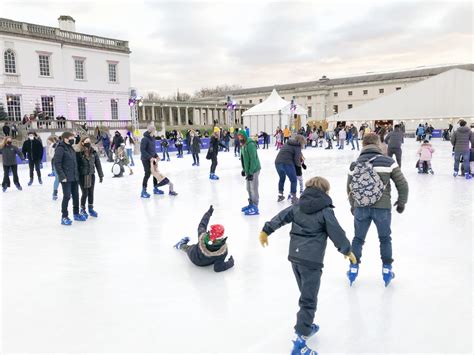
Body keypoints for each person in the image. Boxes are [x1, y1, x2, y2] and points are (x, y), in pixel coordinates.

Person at [259, 177, 356, 355]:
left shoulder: (298, 205)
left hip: (294, 258)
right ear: (325, 192)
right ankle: (300, 343)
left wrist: (267, 230)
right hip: (311, 262)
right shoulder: (325, 210)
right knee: (308, 301)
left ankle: (306, 325)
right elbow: (337, 232)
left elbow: (281, 217)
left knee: (305, 296)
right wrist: (347, 250)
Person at [346, 133, 409, 287]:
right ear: (378, 144)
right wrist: (401, 203)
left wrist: (353, 205)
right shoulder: (388, 162)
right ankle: (387, 269)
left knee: (358, 239)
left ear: (363, 145)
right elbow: (402, 184)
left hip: (361, 207)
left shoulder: (354, 164)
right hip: (382, 208)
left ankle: (353, 268)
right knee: (385, 239)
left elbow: (349, 187)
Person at [173, 205, 234, 272]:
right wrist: (231, 262)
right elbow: (218, 268)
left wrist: (208, 213)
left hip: (194, 256)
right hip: (206, 264)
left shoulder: (202, 236)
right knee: (195, 247)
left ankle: (181, 245)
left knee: (189, 248)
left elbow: (202, 224)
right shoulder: (223, 251)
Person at [54, 132, 84, 225]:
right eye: (71, 138)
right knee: (67, 196)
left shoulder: (71, 148)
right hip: (66, 178)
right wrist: (62, 176)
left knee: (76, 196)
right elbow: (57, 163)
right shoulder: (60, 148)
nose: (73, 139)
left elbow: (74, 162)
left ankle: (76, 213)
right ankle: (64, 217)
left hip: (74, 176)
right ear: (65, 139)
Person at [76, 137, 104, 218]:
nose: (88, 142)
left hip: (91, 175)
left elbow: (98, 164)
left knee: (91, 193)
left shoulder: (93, 152)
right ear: (82, 143)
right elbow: (76, 166)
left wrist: (100, 175)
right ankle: (82, 209)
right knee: (85, 193)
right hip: (82, 176)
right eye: (86, 141)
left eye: (89, 141)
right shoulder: (79, 153)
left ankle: (90, 208)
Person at [275, 134, 305, 204]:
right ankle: (293, 198)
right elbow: (297, 159)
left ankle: (280, 195)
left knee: (282, 178)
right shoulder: (297, 146)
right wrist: (299, 166)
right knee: (294, 180)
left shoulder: (287, 143)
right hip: (287, 163)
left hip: (277, 162)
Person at [238, 129, 261, 216]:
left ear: (244, 136)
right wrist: (244, 170)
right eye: (239, 136)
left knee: (253, 188)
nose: (240, 138)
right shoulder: (243, 145)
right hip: (249, 170)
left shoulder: (250, 144)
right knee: (248, 188)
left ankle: (255, 206)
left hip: (254, 169)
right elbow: (244, 159)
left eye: (241, 136)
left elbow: (253, 159)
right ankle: (251, 203)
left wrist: (251, 172)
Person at [140, 125, 160, 198]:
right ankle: (143, 191)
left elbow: (152, 150)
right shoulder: (144, 139)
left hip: (152, 159)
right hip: (145, 159)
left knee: (155, 173)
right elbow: (142, 150)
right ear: (151, 131)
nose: (155, 132)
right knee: (147, 174)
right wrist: (149, 157)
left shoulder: (153, 138)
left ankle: (155, 188)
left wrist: (156, 156)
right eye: (154, 130)